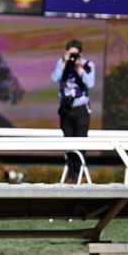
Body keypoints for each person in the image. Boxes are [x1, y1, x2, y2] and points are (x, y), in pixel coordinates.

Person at [51, 39, 96, 183]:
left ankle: (79, 173)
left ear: (81, 54)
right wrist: (64, 63)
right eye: (70, 54)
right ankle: (71, 175)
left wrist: (79, 68)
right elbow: (55, 78)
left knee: (80, 143)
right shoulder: (61, 63)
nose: (72, 57)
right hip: (66, 109)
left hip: (81, 109)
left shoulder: (88, 64)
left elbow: (90, 83)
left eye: (75, 55)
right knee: (68, 143)